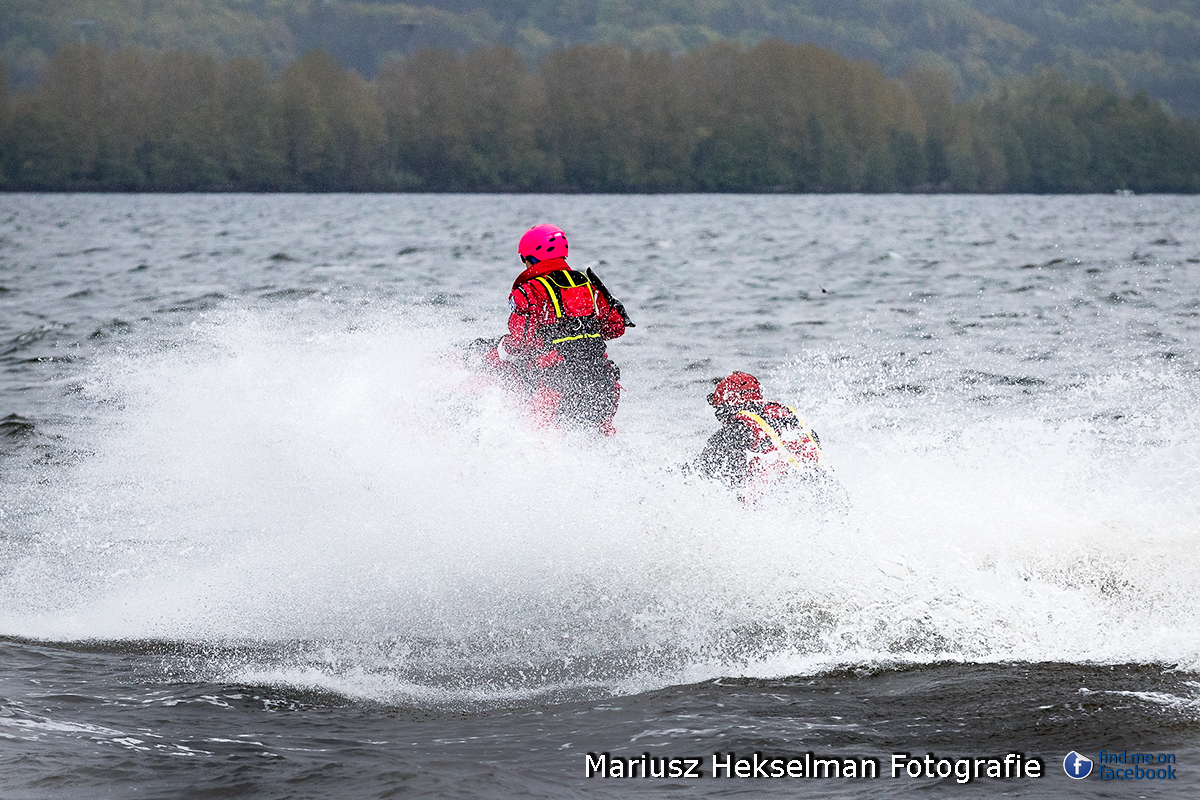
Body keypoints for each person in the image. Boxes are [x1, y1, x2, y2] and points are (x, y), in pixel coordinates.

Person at [486, 224, 627, 434]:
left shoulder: (528, 291)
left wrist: (497, 353)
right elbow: (616, 327)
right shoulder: (588, 285)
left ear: (531, 257)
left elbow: (521, 343)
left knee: (500, 373)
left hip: (556, 388)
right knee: (598, 443)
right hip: (604, 386)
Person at [695, 371, 822, 492]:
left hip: (776, 488)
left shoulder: (737, 428)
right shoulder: (789, 414)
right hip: (818, 480)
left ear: (725, 410)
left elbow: (704, 473)